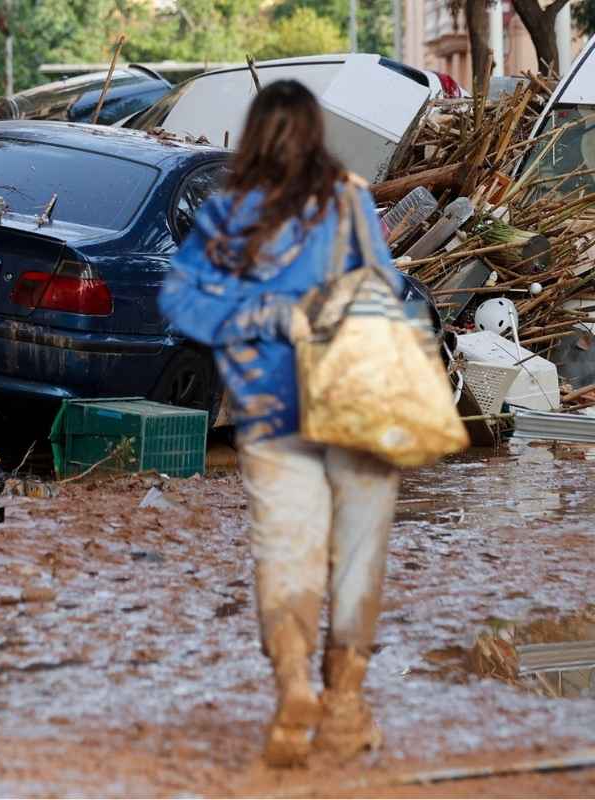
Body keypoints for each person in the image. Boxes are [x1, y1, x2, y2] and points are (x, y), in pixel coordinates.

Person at [159, 81, 402, 768]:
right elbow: (382, 291)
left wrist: (251, 320)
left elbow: (178, 301)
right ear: (318, 133)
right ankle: (346, 708)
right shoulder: (350, 201)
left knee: (286, 554)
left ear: (257, 135)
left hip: (269, 419)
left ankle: (294, 686)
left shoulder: (227, 216)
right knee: (356, 559)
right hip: (354, 410)